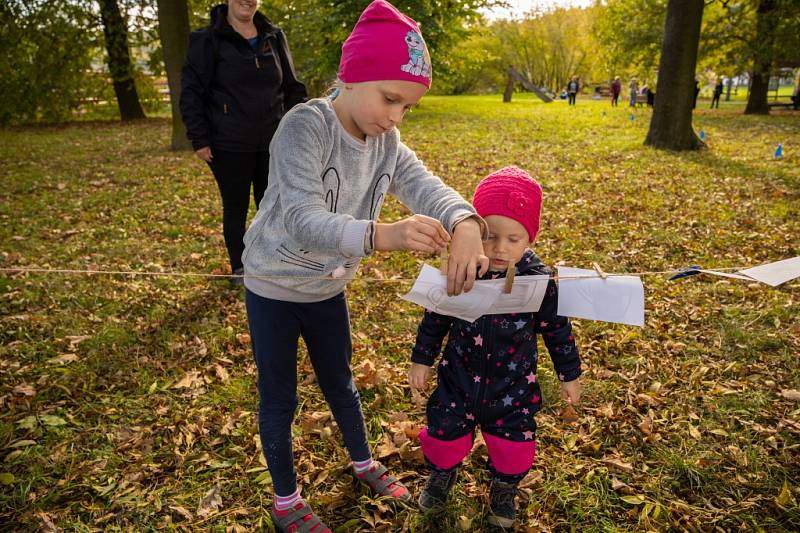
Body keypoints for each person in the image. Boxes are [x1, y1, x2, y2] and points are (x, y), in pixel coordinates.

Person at [241, 1, 489, 530]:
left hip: (327, 289)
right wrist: (384, 235)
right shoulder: (304, 127)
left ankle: (362, 460)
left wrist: (466, 222)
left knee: (341, 380)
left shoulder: (386, 140)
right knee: (279, 397)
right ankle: (285, 500)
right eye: (391, 99)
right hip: (274, 288)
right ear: (352, 77)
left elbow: (423, 184)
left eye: (408, 108)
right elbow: (304, 217)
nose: (396, 117)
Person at [409, 166, 582, 529]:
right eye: (490, 236)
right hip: (458, 379)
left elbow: (556, 328)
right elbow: (436, 317)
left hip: (512, 386)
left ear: (530, 238)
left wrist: (569, 373)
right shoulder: (463, 268)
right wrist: (421, 360)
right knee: (444, 435)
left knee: (513, 445)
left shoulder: (538, 280)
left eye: (514, 239)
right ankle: (442, 474)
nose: (501, 249)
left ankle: (504, 487)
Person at [180, 0, 308, 284]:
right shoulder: (206, 40)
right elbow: (191, 93)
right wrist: (199, 137)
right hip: (229, 143)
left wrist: (301, 125)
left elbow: (292, 87)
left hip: (274, 142)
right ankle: (240, 267)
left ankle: (272, 259)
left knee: (272, 203)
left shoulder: (274, 36)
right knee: (236, 206)